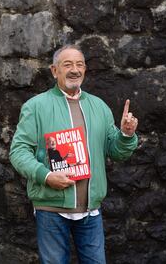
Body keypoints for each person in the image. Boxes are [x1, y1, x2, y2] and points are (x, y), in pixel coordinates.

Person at [9, 44, 138, 264]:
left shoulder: (99, 106)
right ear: (54, 70)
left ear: (85, 69)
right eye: (67, 64)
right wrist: (46, 176)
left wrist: (126, 135)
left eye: (79, 64)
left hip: (90, 211)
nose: (74, 70)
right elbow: (19, 152)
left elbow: (116, 153)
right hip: (51, 209)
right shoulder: (36, 106)